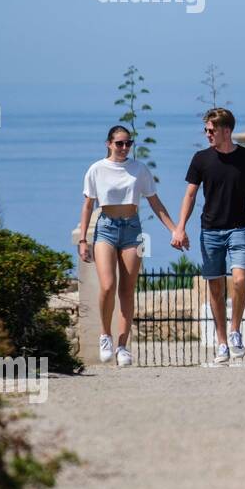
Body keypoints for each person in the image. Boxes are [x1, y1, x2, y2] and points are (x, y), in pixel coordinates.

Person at [77, 125, 180, 367]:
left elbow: (155, 203)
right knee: (108, 285)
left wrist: (175, 229)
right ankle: (106, 335)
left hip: (133, 229)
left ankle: (122, 346)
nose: (124, 148)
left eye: (128, 144)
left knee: (127, 289)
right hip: (106, 228)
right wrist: (83, 239)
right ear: (108, 144)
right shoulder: (96, 169)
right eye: (119, 143)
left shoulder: (139, 169)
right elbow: (88, 206)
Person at [172, 108, 245, 365]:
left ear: (227, 131)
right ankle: (222, 342)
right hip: (210, 231)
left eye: (211, 130)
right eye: (206, 130)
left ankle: (235, 331)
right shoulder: (201, 159)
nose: (207, 134)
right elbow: (190, 195)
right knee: (215, 288)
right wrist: (180, 227)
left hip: (239, 229)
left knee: (239, 280)